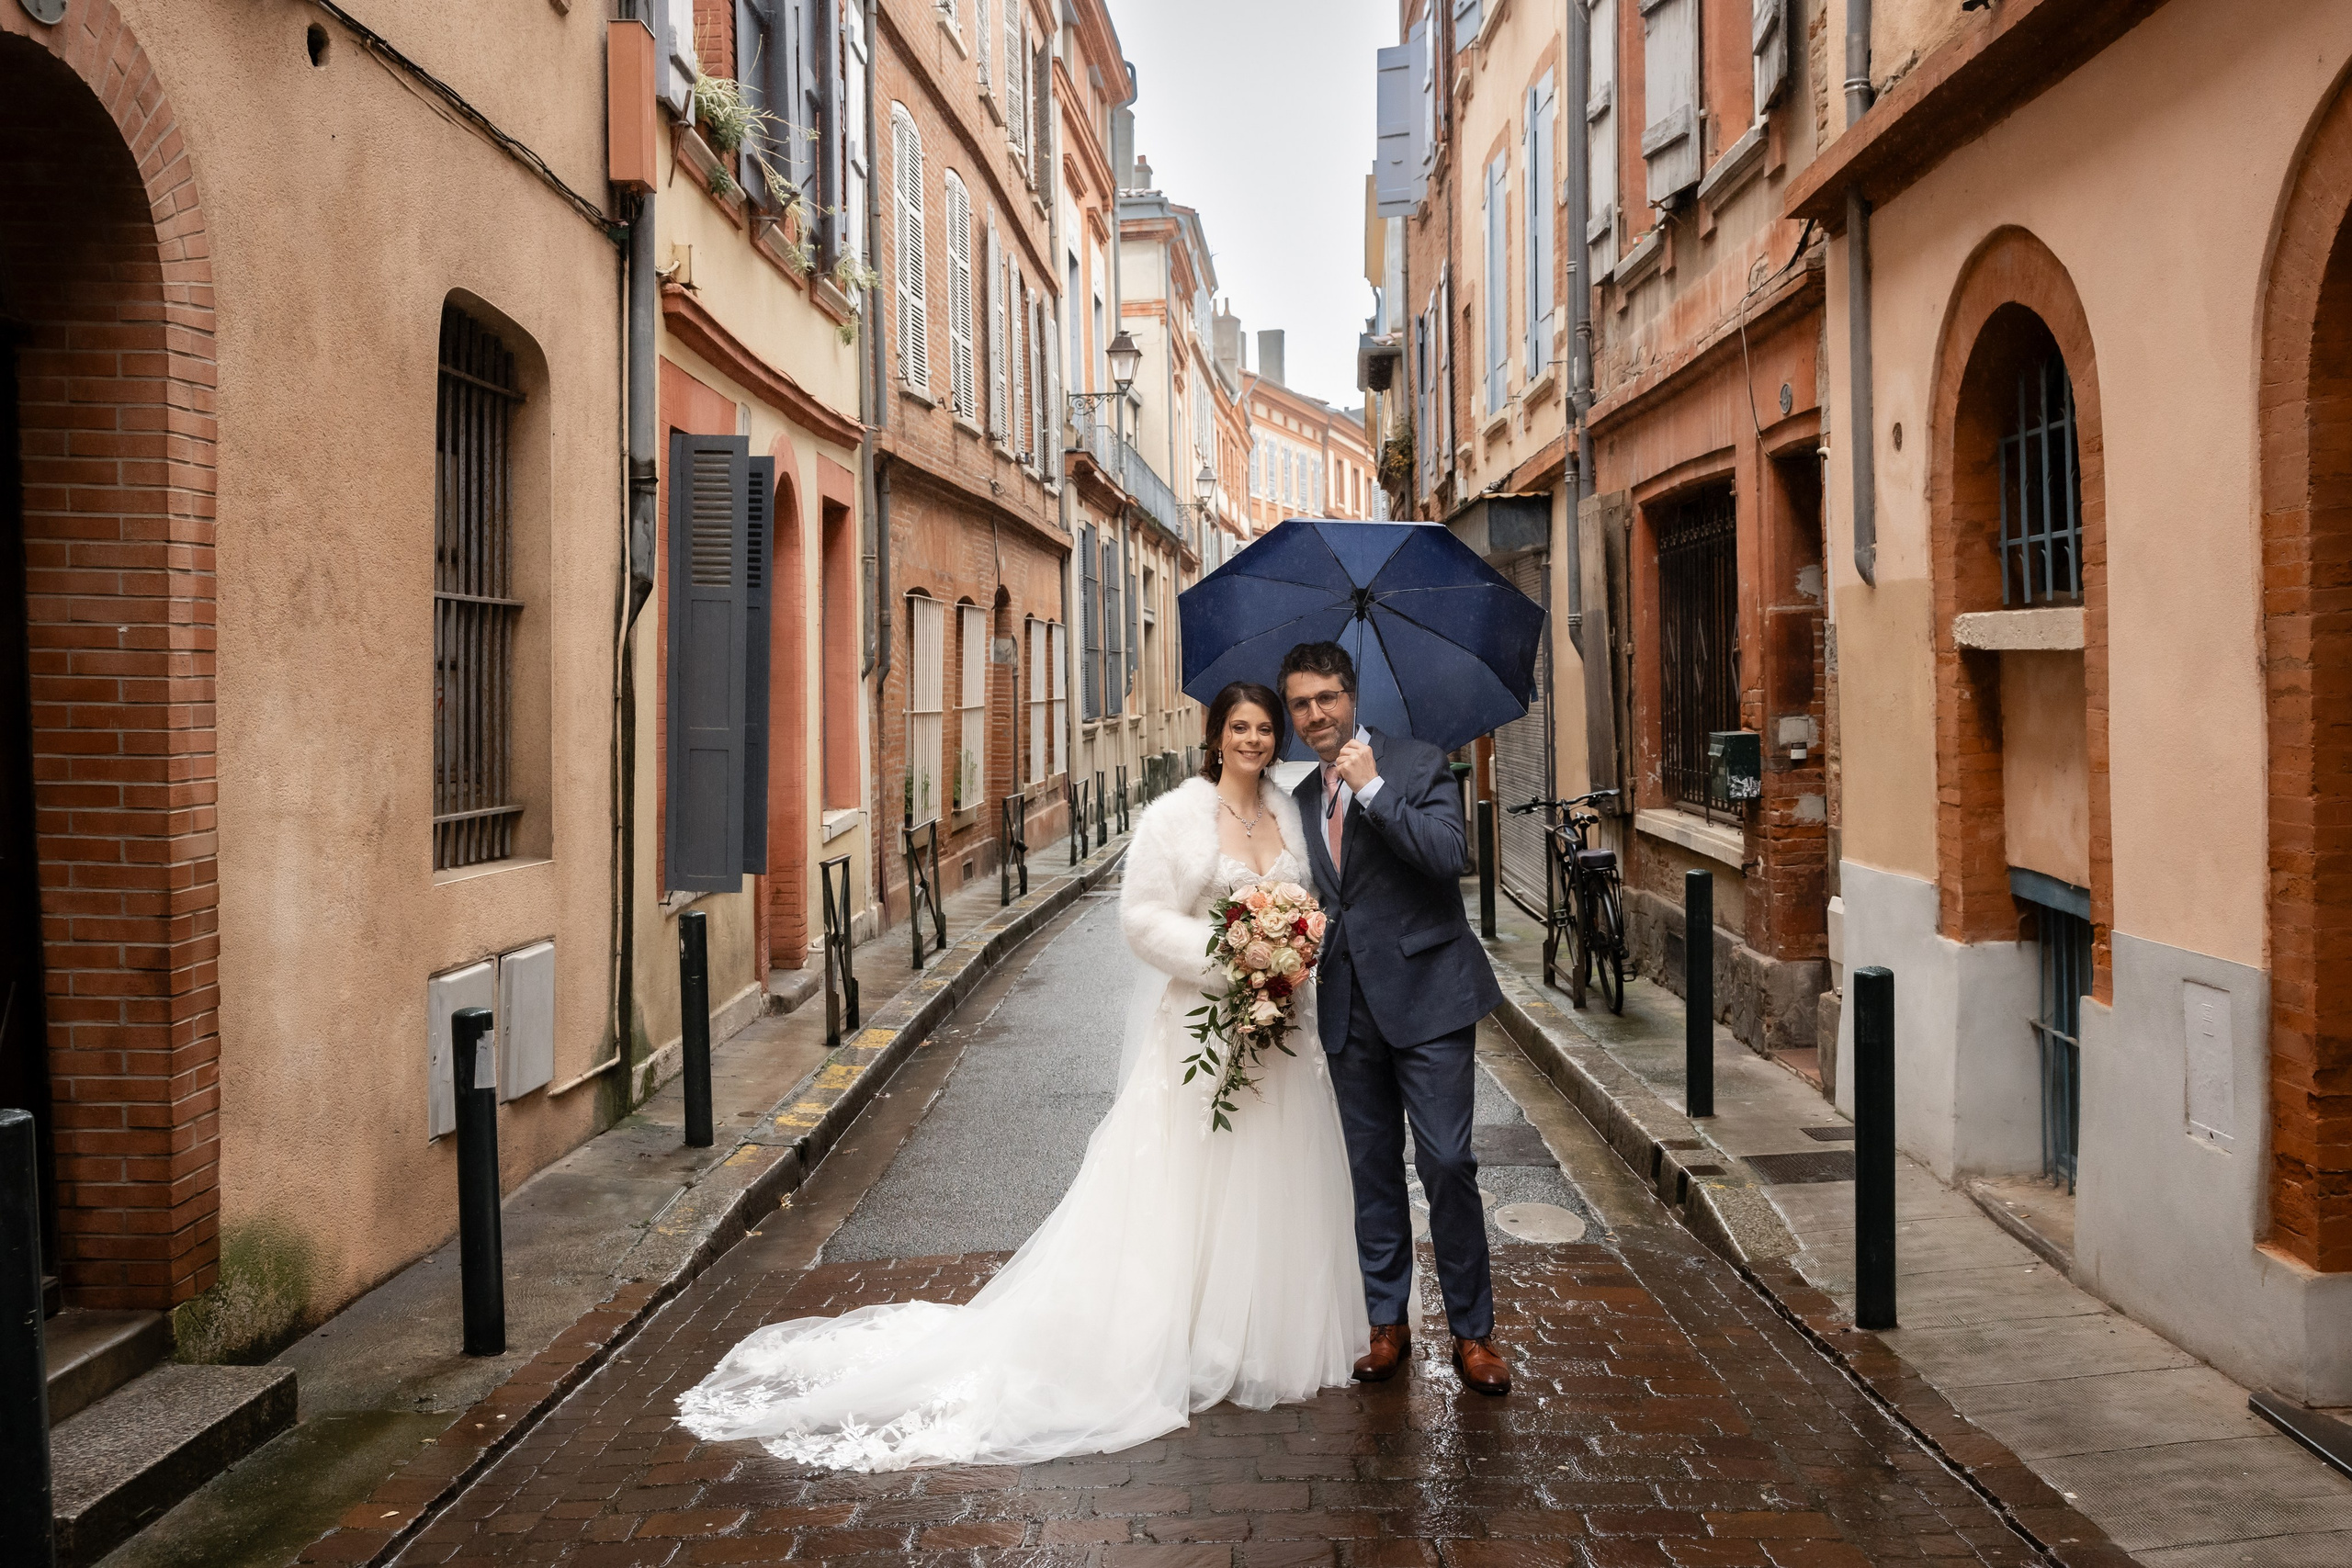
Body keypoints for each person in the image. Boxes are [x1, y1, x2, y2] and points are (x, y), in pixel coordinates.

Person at [674, 682, 1367, 1471]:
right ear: (1215, 737)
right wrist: (1229, 960)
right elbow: (1142, 920)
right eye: (1240, 726)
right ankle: (1186, 1333)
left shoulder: (1290, 815)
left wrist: (1289, 950)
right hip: (1200, 1033)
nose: (1254, 739)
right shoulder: (1176, 818)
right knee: (1193, 1177)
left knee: (1272, 1175)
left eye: (1265, 728)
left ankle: (1256, 1329)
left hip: (1280, 1033)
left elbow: (1312, 903)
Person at [1280, 639, 1511, 1395]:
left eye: (1326, 698)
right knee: (1371, 1168)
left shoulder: (1416, 762)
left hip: (1431, 997)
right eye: (1301, 704)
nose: (1315, 713)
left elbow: (1449, 854)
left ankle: (1473, 1332)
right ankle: (1387, 1322)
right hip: (1349, 1006)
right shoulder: (1303, 798)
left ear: (1352, 696)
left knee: (1446, 1162)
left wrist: (1373, 789)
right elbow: (1326, 896)